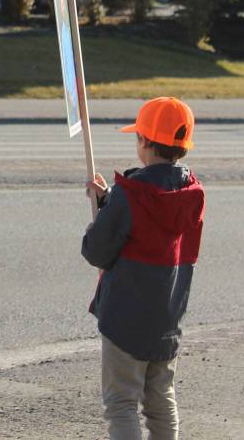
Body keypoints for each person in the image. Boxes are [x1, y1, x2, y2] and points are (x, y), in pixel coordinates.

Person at [81, 96, 205, 440]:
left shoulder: (131, 194)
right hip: (167, 316)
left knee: (121, 403)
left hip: (125, 317)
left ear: (145, 142)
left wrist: (106, 212)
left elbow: (96, 251)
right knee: (161, 402)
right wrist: (111, 201)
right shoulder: (191, 192)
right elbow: (153, 227)